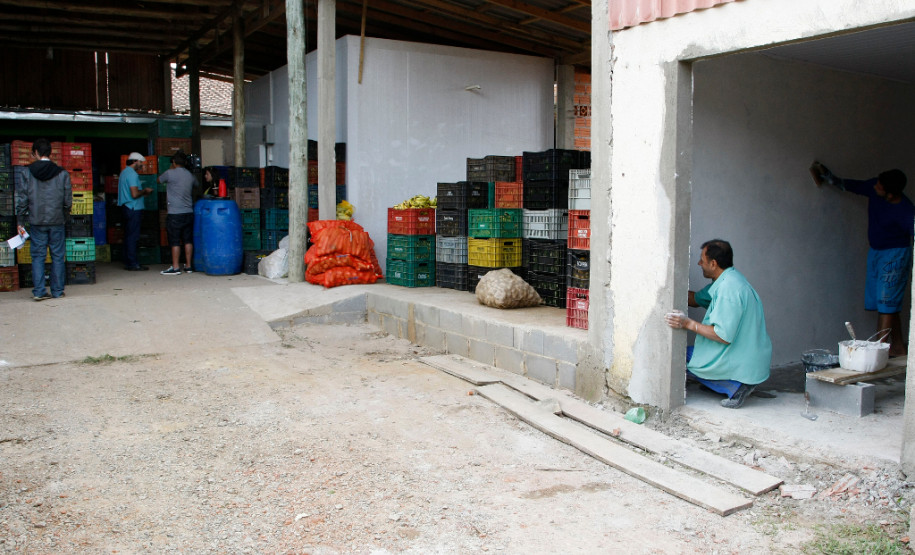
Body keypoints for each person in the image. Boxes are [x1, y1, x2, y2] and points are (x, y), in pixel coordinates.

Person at [811, 162, 914, 356]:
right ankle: (898, 346)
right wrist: (829, 177)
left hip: (896, 255)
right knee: (887, 303)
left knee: (886, 301)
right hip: (876, 252)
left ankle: (875, 353)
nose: (875, 187)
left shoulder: (906, 212)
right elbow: (854, 186)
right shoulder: (876, 187)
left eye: (880, 187)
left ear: (891, 194)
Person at [666, 239, 773, 409]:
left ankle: (735, 386)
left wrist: (687, 323)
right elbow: (695, 299)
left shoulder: (728, 289)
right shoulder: (729, 278)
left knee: (678, 358)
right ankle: (720, 382)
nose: (699, 263)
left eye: (702, 260)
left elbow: (721, 335)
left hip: (742, 359)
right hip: (748, 354)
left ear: (713, 263)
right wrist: (666, 290)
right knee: (690, 356)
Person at [14, 138, 71, 301]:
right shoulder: (62, 173)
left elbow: (22, 199)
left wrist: (20, 221)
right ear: (50, 153)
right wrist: (65, 215)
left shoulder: (26, 172)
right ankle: (58, 291)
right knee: (58, 256)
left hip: (36, 220)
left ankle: (39, 291)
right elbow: (67, 200)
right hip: (57, 220)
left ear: (36, 153)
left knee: (38, 256)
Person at [157, 151, 198, 275]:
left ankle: (175, 267)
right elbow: (196, 184)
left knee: (175, 240)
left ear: (174, 162)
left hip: (175, 213)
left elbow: (158, 180)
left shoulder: (169, 173)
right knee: (188, 240)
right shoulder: (190, 175)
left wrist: (171, 168)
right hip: (188, 212)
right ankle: (188, 266)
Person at [118, 152, 153, 271]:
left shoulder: (124, 172)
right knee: (133, 236)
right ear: (135, 162)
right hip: (133, 208)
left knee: (128, 235)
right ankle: (133, 263)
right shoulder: (133, 175)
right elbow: (134, 194)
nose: (141, 165)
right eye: (140, 163)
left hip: (126, 207)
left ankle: (128, 261)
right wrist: (145, 191)